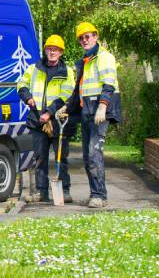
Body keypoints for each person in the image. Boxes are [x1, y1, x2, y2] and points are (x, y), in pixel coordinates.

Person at [66, 22, 121, 208]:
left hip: (99, 111)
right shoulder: (86, 61)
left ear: (96, 36)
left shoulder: (104, 57)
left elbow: (109, 84)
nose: (84, 40)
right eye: (81, 38)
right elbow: (79, 90)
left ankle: (99, 196)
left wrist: (103, 106)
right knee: (87, 156)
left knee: (93, 153)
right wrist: (66, 108)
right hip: (87, 111)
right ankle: (94, 194)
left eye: (87, 36)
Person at [17, 35, 75, 203]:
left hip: (58, 120)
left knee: (61, 158)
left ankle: (65, 190)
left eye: (55, 49)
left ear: (61, 52)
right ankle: (41, 192)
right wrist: (28, 98)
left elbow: (66, 95)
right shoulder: (34, 68)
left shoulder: (67, 72)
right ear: (45, 50)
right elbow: (21, 84)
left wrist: (49, 113)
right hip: (37, 120)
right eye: (49, 48)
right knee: (40, 158)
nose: (52, 52)